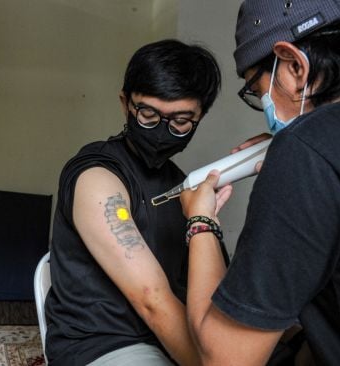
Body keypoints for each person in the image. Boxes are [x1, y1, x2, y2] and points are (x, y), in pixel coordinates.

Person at [180, 1, 340, 365]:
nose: (262, 103)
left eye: (255, 89)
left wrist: (202, 223)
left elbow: (227, 358)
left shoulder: (306, 154)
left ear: (293, 66)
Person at [44, 39, 221, 365]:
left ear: (200, 117)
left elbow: (214, 293)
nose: (162, 130)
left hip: (172, 333)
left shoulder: (183, 185)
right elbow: (151, 300)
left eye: (180, 121)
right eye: (148, 114)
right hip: (105, 344)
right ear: (126, 103)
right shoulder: (96, 176)